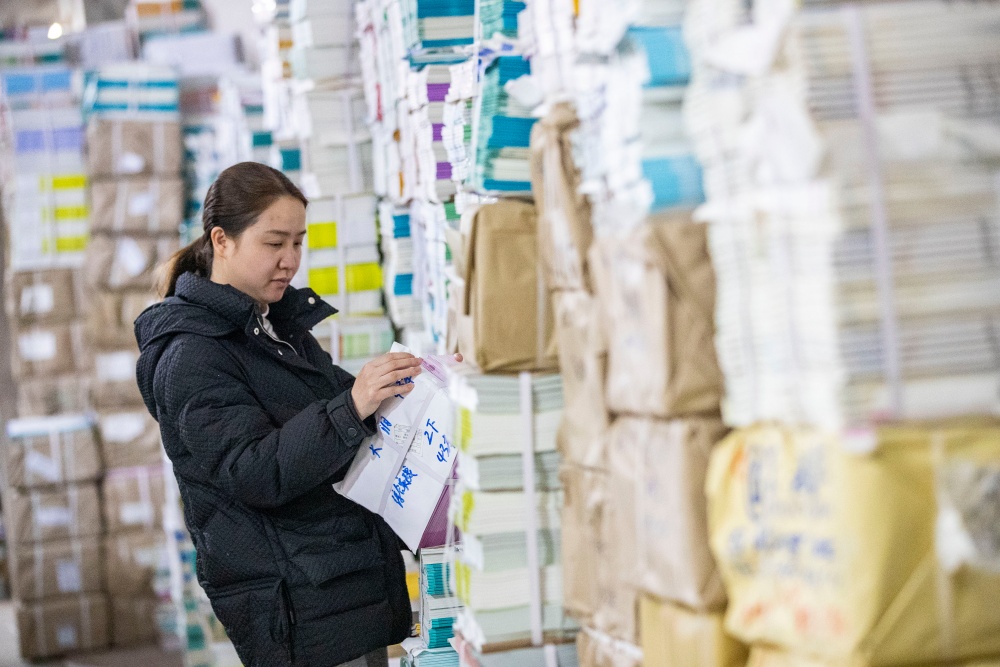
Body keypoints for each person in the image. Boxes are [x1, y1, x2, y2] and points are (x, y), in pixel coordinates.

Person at [135, 162, 441, 667]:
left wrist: (417, 387)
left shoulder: (272, 326)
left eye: (298, 242)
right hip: (298, 608)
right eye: (274, 243)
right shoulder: (192, 354)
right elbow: (253, 470)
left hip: (336, 586)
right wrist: (352, 404)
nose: (290, 260)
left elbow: (336, 410)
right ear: (222, 240)